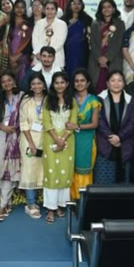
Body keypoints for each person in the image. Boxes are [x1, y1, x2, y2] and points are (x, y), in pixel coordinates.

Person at [41, 72, 77, 223]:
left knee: (64, 173)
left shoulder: (72, 100)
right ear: (53, 84)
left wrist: (63, 139)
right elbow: (46, 121)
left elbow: (73, 122)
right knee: (51, 173)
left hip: (68, 142)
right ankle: (51, 208)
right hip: (50, 140)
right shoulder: (47, 100)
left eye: (62, 82)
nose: (59, 85)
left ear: (67, 84)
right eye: (57, 83)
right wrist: (57, 138)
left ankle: (60, 205)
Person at [94, 70, 134, 185]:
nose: (116, 83)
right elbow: (99, 120)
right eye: (113, 80)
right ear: (107, 83)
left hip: (124, 146)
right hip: (105, 146)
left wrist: (119, 137)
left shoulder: (131, 100)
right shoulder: (99, 99)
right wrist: (111, 137)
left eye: (119, 80)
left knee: (122, 188)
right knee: (103, 185)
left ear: (124, 83)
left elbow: (132, 122)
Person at [0, 72, 23, 222]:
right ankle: (7, 200)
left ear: (14, 81)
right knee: (0, 170)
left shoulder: (22, 97)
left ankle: (2, 206)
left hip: (16, 137)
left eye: (9, 80)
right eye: (3, 81)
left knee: (10, 171)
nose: (7, 83)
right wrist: (2, 127)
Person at [19, 72, 46, 219]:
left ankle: (43, 202)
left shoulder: (49, 100)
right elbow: (23, 123)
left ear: (44, 85)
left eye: (39, 83)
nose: (36, 86)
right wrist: (31, 143)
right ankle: (30, 204)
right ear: (30, 86)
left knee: (42, 170)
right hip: (28, 140)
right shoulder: (26, 101)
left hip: (45, 139)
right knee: (29, 171)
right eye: (34, 84)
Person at [70, 69, 101, 198]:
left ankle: (82, 199)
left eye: (82, 80)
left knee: (83, 170)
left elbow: (95, 124)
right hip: (71, 138)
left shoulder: (93, 100)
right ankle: (71, 198)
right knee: (71, 168)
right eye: (76, 81)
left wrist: (77, 126)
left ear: (88, 83)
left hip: (87, 139)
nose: (79, 83)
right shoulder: (70, 99)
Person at [63, 0, 93, 80]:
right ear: (69, 5)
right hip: (67, 51)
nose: (76, 6)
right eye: (74, 3)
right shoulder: (63, 20)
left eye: (79, 3)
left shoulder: (87, 19)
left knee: (81, 73)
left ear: (82, 5)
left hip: (82, 51)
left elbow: (90, 36)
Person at [32, 0, 67, 69]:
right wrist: (39, 53)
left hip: (56, 59)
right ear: (44, 10)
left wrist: (47, 54)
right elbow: (35, 40)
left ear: (56, 11)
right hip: (39, 58)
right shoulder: (39, 23)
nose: (49, 11)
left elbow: (60, 42)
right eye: (47, 9)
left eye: (52, 9)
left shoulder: (62, 24)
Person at [8, 0, 34, 86]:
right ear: (14, 8)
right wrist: (11, 56)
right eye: (17, 7)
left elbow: (29, 43)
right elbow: (7, 40)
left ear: (25, 9)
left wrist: (17, 56)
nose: (19, 9)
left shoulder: (28, 24)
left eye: (22, 7)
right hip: (9, 56)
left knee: (22, 82)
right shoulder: (9, 23)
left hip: (22, 57)